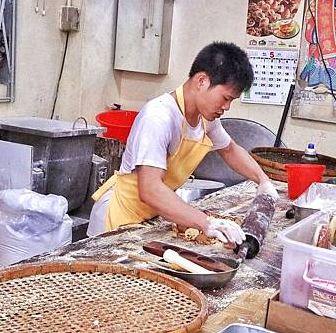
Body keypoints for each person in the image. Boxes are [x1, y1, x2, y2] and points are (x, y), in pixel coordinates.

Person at [87, 42, 279, 244]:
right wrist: (207, 223)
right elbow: (150, 189)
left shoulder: (206, 118)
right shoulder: (159, 117)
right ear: (202, 81)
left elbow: (229, 149)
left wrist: (263, 181)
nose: (227, 107)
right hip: (117, 219)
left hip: (148, 218)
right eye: (225, 98)